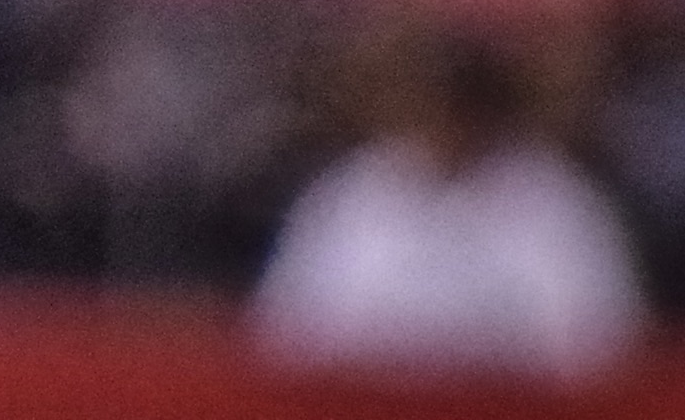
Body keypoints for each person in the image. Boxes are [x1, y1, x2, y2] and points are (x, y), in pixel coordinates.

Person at [247, 33, 650, 385]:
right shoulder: (352, 193)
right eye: (431, 106)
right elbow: (289, 331)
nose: (446, 126)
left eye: (460, 109)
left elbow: (601, 344)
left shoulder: (555, 199)